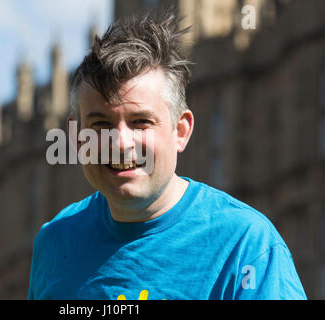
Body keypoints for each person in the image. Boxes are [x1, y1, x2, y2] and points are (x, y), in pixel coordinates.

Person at [27, 10, 306, 300]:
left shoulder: (244, 244)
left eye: (141, 122)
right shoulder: (55, 243)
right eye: (101, 124)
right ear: (77, 138)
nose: (121, 143)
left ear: (180, 131)